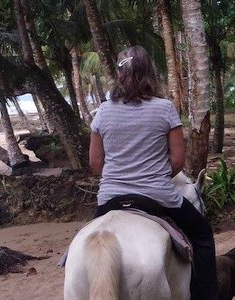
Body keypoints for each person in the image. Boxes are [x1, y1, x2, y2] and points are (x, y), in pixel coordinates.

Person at [88, 46, 218, 300]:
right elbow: (178, 161)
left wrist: (121, 174)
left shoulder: (103, 111)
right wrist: (151, 174)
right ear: (150, 73)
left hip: (110, 198)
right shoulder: (165, 109)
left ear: (119, 75)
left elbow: (95, 163)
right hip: (158, 197)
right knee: (203, 235)